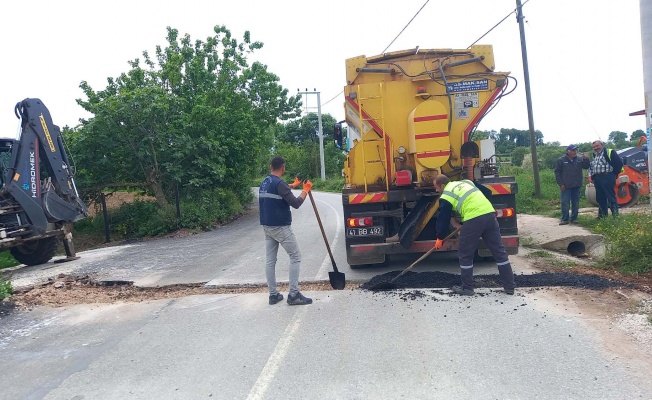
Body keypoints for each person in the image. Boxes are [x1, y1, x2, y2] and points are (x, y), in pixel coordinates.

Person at [433, 174, 515, 296]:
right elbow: (487, 192)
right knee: (499, 252)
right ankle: (509, 286)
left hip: (473, 219)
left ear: (443, 185)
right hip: (489, 215)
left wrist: (440, 237)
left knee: (465, 254)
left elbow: (443, 218)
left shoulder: (446, 195)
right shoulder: (467, 182)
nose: (436, 191)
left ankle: (467, 288)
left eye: (436, 188)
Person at [259, 156, 313, 306]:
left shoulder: (265, 182)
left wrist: (293, 185)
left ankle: (273, 295)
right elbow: (295, 203)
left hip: (267, 227)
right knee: (295, 256)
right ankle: (294, 295)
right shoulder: (280, 183)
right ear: (283, 168)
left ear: (271, 167)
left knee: (270, 260)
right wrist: (305, 190)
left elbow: (280, 189)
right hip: (280, 226)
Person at [554, 144, 590, 225]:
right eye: (573, 150)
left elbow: (586, 166)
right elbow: (557, 172)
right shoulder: (561, 160)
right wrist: (561, 184)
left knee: (575, 202)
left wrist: (586, 159)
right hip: (565, 185)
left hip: (576, 185)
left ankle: (574, 218)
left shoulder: (579, 159)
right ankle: (565, 219)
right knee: (565, 202)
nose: (575, 152)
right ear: (568, 151)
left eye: (576, 150)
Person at [588, 140, 623, 218]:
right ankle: (602, 216)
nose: (596, 148)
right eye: (594, 147)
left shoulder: (609, 152)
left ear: (602, 145)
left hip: (607, 177)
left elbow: (619, 164)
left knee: (610, 197)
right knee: (600, 198)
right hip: (597, 178)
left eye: (597, 146)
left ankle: (615, 216)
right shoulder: (595, 155)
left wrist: (613, 174)